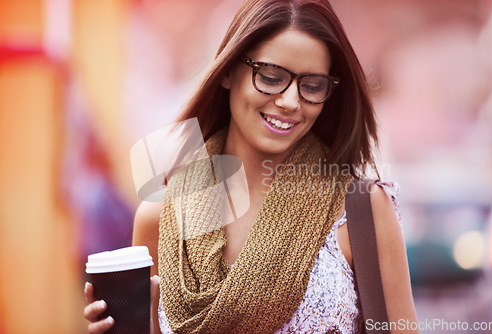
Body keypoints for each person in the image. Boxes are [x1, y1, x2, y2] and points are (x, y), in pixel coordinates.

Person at [84, 0, 419, 333]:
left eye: (312, 86)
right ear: (229, 71)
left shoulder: (362, 210)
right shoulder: (160, 218)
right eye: (271, 77)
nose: (290, 101)